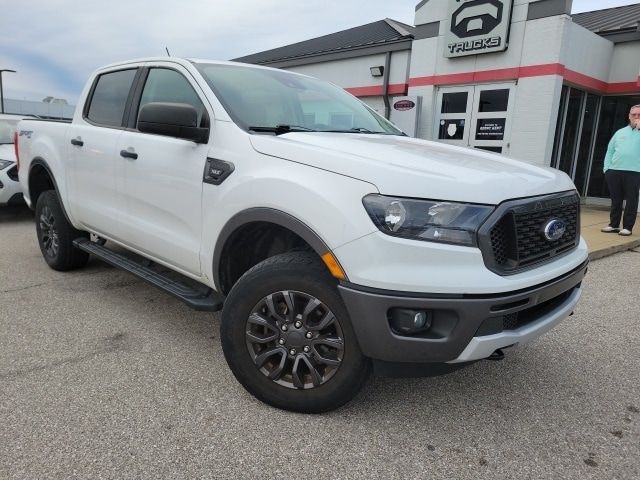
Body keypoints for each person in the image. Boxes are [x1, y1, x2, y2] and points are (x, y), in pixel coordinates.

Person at [601, 104, 640, 236]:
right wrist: (607, 169)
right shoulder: (620, 132)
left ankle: (628, 227)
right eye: (633, 114)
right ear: (629, 116)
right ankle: (614, 225)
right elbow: (610, 151)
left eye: (639, 115)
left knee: (631, 200)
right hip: (614, 170)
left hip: (635, 172)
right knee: (615, 199)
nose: (636, 117)